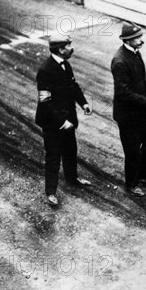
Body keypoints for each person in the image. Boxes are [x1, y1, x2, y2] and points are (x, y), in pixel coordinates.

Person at [35, 34, 92, 206]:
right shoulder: (45, 70)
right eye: (68, 46)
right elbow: (45, 102)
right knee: (53, 155)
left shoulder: (65, 65)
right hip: (53, 123)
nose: (71, 48)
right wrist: (61, 121)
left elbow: (73, 86)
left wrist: (84, 103)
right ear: (60, 49)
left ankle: (72, 178)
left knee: (70, 151)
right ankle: (51, 192)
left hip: (68, 119)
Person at [111, 22, 146, 197]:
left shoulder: (135, 53)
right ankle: (132, 184)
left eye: (140, 37)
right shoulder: (120, 61)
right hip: (128, 115)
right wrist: (145, 101)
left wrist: (145, 100)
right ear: (127, 40)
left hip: (141, 110)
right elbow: (122, 92)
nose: (140, 41)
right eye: (136, 38)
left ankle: (145, 173)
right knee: (132, 151)